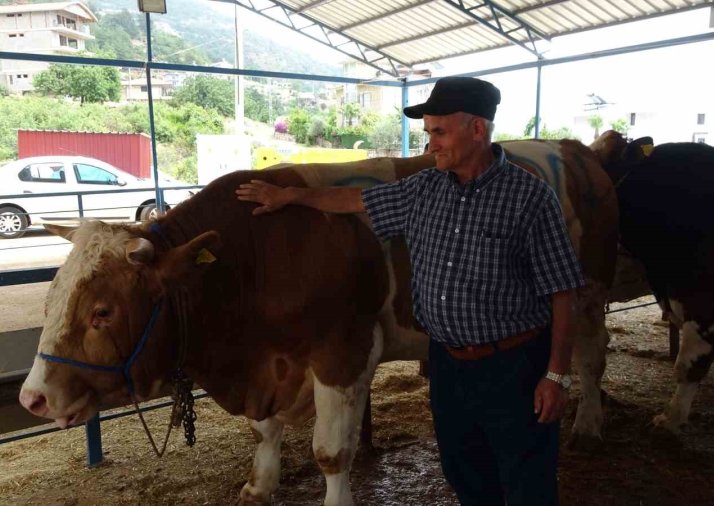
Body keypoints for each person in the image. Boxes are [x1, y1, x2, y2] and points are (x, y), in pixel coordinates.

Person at [235, 76, 583, 506]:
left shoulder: (530, 198)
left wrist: (555, 374)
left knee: (525, 481)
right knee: (465, 473)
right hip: (447, 366)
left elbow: (563, 290)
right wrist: (290, 195)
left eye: (439, 131)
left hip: (514, 367)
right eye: (428, 132)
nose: (430, 143)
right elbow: (354, 201)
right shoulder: (424, 188)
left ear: (477, 130)